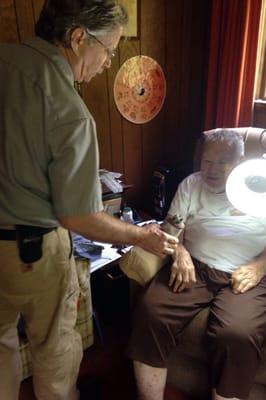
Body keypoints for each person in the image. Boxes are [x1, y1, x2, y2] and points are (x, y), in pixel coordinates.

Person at [0, 1, 178, 400]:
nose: (108, 62)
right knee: (55, 349)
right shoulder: (71, 111)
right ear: (79, 38)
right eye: (109, 49)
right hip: (31, 254)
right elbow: (79, 216)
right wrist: (141, 236)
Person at [127, 129, 266, 400]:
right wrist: (180, 253)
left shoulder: (263, 187)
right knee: (152, 313)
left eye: (223, 162)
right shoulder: (191, 184)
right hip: (195, 266)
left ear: (241, 160)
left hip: (247, 273)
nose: (213, 170)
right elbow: (172, 228)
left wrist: (258, 268)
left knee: (237, 334)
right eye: (207, 161)